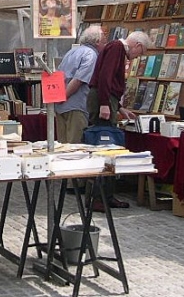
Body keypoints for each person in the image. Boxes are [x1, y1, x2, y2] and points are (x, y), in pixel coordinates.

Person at [86, 30, 152, 212]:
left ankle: (105, 195)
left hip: (106, 99)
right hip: (103, 99)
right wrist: (105, 104)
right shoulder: (117, 48)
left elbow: (107, 79)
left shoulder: (115, 48)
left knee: (107, 147)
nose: (138, 57)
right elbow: (105, 77)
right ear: (137, 45)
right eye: (142, 52)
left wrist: (119, 108)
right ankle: (99, 197)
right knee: (103, 146)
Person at [54, 26, 107, 144]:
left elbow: (59, 75)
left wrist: (58, 99)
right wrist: (64, 97)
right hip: (76, 106)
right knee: (75, 147)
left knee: (63, 146)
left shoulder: (72, 51)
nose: (105, 46)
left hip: (61, 107)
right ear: (97, 42)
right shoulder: (91, 55)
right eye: (104, 42)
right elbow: (78, 80)